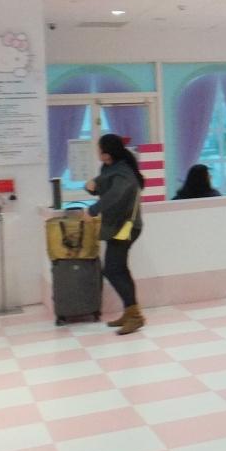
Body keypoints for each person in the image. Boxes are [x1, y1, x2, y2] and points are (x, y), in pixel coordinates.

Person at [83, 134, 145, 335]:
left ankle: (135, 316)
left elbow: (115, 195)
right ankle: (130, 312)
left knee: (112, 270)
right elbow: (103, 187)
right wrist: (91, 186)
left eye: (99, 148)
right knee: (119, 269)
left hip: (126, 228)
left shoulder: (123, 172)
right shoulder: (109, 168)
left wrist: (93, 210)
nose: (97, 152)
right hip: (116, 227)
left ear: (107, 153)